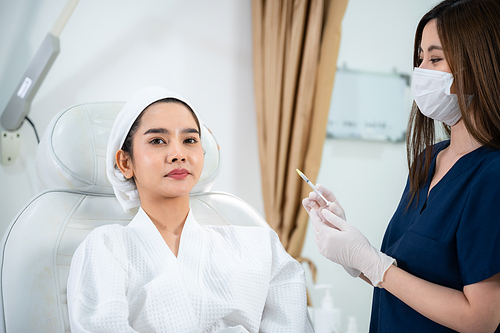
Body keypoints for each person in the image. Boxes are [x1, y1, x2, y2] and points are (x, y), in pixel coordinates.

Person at [302, 0, 500, 332]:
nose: (421, 71)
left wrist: (374, 264)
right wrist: (353, 252)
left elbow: (481, 319)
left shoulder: (491, 176)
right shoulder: (428, 160)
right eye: (420, 59)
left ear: (479, 64)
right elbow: (401, 280)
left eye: (435, 59)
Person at [67, 86, 313, 332]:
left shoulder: (261, 247)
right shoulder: (106, 248)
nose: (178, 153)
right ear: (125, 162)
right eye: (157, 140)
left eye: (190, 140)